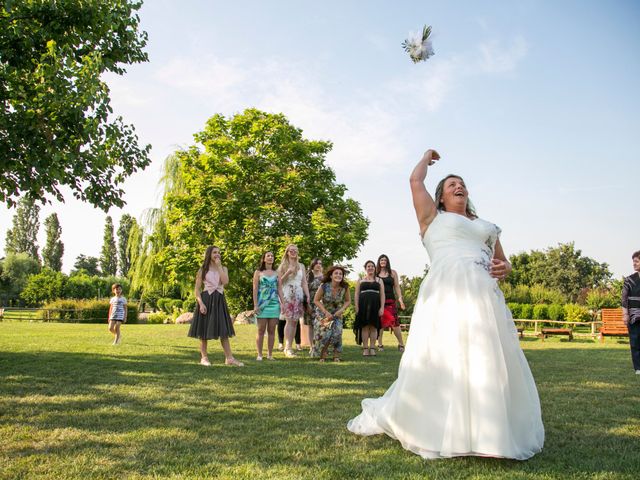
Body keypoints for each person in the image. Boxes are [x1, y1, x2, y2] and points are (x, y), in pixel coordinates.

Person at [348, 149, 544, 460]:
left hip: (484, 297)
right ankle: (435, 425)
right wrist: (426, 159)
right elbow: (414, 180)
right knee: (444, 355)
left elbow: (503, 263)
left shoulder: (486, 226)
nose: (458, 186)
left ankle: (489, 433)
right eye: (451, 184)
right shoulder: (433, 218)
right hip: (445, 294)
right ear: (440, 197)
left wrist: (505, 269)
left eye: (462, 183)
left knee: (484, 357)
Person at [188, 246, 243, 367]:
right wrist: (201, 303)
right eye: (214, 252)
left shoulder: (223, 268)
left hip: (219, 300)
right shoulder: (202, 270)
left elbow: (225, 282)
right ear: (209, 254)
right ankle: (204, 358)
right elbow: (197, 290)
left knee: (223, 329)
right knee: (204, 330)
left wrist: (219, 267)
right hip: (206, 300)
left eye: (219, 253)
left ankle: (229, 358)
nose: (217, 254)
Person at [312, 265, 351, 362]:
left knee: (337, 333)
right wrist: (325, 312)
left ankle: (336, 356)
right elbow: (316, 300)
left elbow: (348, 301)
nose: (338, 275)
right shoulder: (324, 286)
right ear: (331, 276)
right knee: (326, 333)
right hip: (323, 313)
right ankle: (323, 355)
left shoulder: (345, 287)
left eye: (340, 274)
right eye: (336, 273)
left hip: (337, 313)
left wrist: (342, 309)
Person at [278, 244, 310, 357]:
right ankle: (287, 348)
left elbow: (304, 282)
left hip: (298, 294)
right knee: (289, 320)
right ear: (287, 252)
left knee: (295, 321)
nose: (293, 252)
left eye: (295, 251)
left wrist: (307, 294)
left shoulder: (301, 265)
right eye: (291, 251)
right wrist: (288, 272)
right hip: (287, 293)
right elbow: (278, 282)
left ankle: (290, 347)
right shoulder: (283, 265)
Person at [252, 251, 282, 361]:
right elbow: (255, 289)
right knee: (260, 330)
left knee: (272, 330)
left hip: (274, 304)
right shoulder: (258, 272)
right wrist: (255, 305)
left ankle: (270, 354)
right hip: (261, 304)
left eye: (272, 256)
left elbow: (279, 289)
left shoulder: (277, 273)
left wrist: (283, 303)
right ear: (264, 259)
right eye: (268, 256)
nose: (270, 257)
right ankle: (259, 354)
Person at [375, 254, 406, 352]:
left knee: (394, 322)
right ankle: (380, 345)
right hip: (378, 301)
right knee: (379, 323)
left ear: (387, 262)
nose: (383, 261)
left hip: (390, 301)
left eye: (385, 260)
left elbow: (397, 287)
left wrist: (400, 299)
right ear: (379, 262)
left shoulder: (393, 273)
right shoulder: (375, 273)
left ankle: (401, 344)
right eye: (381, 260)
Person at [354, 260, 384, 356]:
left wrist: (382, 307)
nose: (370, 268)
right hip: (363, 306)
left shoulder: (379, 280)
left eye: (372, 266)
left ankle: (372, 348)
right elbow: (356, 294)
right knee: (365, 327)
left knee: (374, 327)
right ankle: (365, 348)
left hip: (376, 306)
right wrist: (356, 306)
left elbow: (382, 295)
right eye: (368, 266)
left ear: (375, 268)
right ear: (365, 268)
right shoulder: (360, 280)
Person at [622, 250, 640, 374]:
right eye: (633, 261)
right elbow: (624, 299)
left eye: (637, 261)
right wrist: (625, 314)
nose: (634, 264)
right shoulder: (629, 280)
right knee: (635, 342)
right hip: (633, 316)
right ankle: (638, 368)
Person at [304, 258, 324, 356]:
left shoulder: (324, 277)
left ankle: (319, 346)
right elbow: (304, 290)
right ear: (313, 264)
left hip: (321, 304)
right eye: (316, 263)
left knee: (321, 325)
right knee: (311, 326)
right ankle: (311, 346)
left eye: (320, 263)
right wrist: (307, 305)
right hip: (310, 303)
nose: (318, 265)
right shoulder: (308, 276)